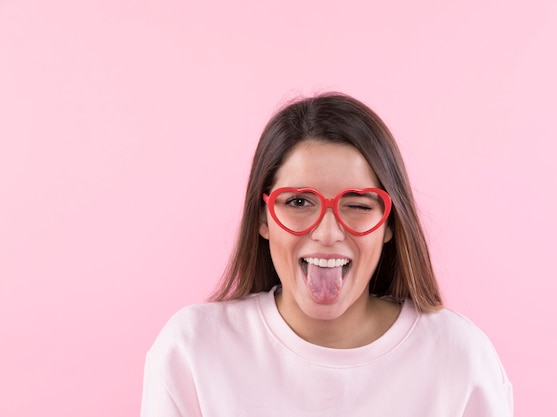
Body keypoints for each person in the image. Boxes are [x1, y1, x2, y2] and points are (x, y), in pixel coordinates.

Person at [140, 93, 514, 416]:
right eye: (299, 201)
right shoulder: (191, 350)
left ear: (389, 225)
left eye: (358, 205)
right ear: (263, 218)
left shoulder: (459, 357)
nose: (327, 232)